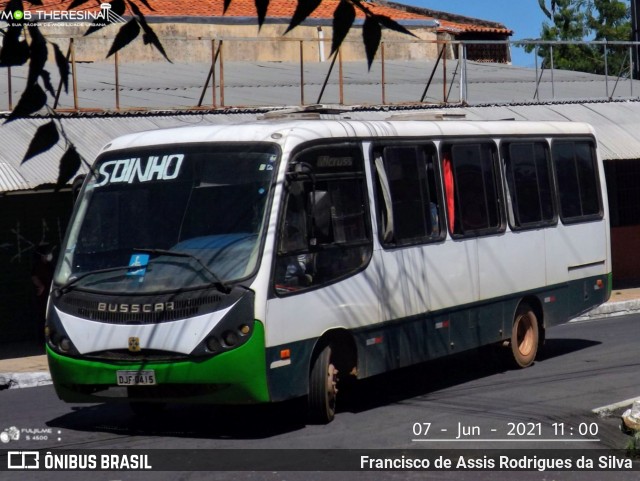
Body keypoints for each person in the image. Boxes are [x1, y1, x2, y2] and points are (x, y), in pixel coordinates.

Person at [31, 243, 55, 327]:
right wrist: (41, 286)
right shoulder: (38, 265)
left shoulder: (48, 265)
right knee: (43, 318)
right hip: (43, 297)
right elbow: (34, 276)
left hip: (49, 294)